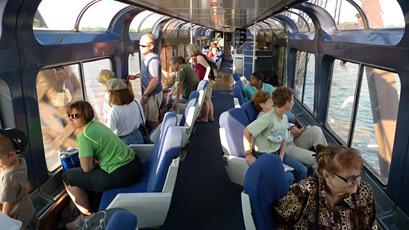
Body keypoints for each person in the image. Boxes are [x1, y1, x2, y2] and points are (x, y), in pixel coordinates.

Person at [62, 101, 142, 229]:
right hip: (135, 164)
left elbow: (86, 168)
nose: (71, 118)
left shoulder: (84, 137)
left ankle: (88, 218)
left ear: (85, 115)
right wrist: (92, 160)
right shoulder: (97, 125)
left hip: (122, 174)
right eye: (69, 115)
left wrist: (91, 162)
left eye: (75, 116)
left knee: (67, 176)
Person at [274, 145, 378, 229]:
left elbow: (370, 226)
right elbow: (281, 221)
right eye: (350, 178)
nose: (357, 182)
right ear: (327, 175)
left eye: (358, 176)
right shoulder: (306, 191)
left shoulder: (364, 192)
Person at [243, 87, 307, 185]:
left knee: (303, 170)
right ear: (287, 103)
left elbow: (284, 139)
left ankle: (294, 195)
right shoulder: (267, 118)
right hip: (264, 155)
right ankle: (282, 198)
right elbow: (247, 131)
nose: (293, 103)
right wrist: (248, 154)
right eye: (293, 100)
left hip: (277, 153)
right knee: (288, 178)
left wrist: (281, 158)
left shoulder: (284, 117)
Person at [0, 128, 39, 230]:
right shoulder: (20, 160)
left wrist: (3, 225)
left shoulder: (9, 178)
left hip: (21, 223)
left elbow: (7, 208)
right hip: (29, 213)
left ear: (11, 154)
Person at [127, 34, 163, 130]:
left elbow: (154, 80)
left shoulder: (153, 60)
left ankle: (160, 139)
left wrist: (146, 93)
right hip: (149, 93)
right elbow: (147, 73)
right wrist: (136, 76)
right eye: (139, 45)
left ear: (151, 46)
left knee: (152, 120)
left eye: (143, 46)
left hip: (152, 94)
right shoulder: (146, 58)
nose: (140, 48)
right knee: (147, 119)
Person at [106, 78, 145, 145]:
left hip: (124, 142)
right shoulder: (135, 102)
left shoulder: (114, 111)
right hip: (138, 136)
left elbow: (109, 133)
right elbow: (143, 121)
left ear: (111, 93)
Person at [186, 43, 214, 123]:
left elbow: (208, 67)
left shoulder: (199, 57)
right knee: (209, 100)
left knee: (205, 101)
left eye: (188, 51)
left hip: (206, 81)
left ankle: (205, 118)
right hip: (207, 80)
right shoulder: (200, 56)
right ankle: (211, 117)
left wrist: (205, 77)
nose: (187, 53)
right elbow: (211, 60)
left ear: (192, 50)